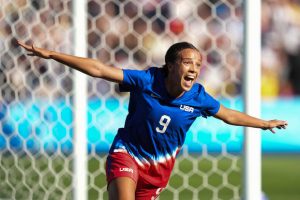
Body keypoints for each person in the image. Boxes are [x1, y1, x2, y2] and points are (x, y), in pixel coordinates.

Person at [18, 41, 288, 200]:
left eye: (198, 64)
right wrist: (53, 55)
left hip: (158, 171)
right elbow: (99, 69)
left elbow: (228, 115)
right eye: (187, 62)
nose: (194, 68)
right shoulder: (147, 80)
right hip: (127, 153)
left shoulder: (198, 97)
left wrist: (264, 123)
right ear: (171, 65)